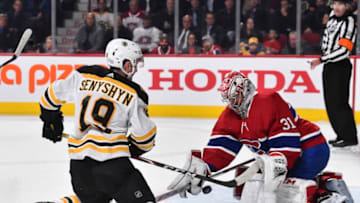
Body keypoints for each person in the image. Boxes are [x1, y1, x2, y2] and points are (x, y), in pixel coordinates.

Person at [168, 71, 331, 202]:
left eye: (234, 97)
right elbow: (221, 148)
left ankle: (326, 197)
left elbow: (286, 141)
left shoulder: (268, 101)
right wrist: (205, 168)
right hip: (279, 156)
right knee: (256, 186)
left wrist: (277, 162)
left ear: (245, 91)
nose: (231, 102)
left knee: (288, 191)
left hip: (310, 149)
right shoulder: (229, 116)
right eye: (228, 99)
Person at [38, 38, 156, 203]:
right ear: (126, 65)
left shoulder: (84, 74)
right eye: (134, 64)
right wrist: (134, 148)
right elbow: (145, 136)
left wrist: (51, 122)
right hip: (113, 167)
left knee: (93, 199)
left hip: (79, 167)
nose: (135, 69)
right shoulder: (134, 93)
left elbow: (49, 97)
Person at [310, 0, 358, 147]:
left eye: (341, 4)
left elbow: (345, 50)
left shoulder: (349, 22)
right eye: (335, 4)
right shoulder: (332, 16)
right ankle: (340, 134)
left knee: (339, 102)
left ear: (347, 6)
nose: (336, 7)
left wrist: (322, 59)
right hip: (330, 65)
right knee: (330, 102)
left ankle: (349, 137)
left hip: (340, 66)